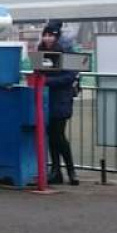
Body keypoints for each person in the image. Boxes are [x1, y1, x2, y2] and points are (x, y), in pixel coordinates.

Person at [38, 20, 79, 186]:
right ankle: (56, 171)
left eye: (51, 35)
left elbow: (69, 77)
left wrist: (46, 81)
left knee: (59, 136)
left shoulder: (66, 51)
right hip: (48, 99)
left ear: (57, 36)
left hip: (61, 98)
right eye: (45, 35)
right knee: (52, 136)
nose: (47, 38)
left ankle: (70, 170)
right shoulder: (41, 51)